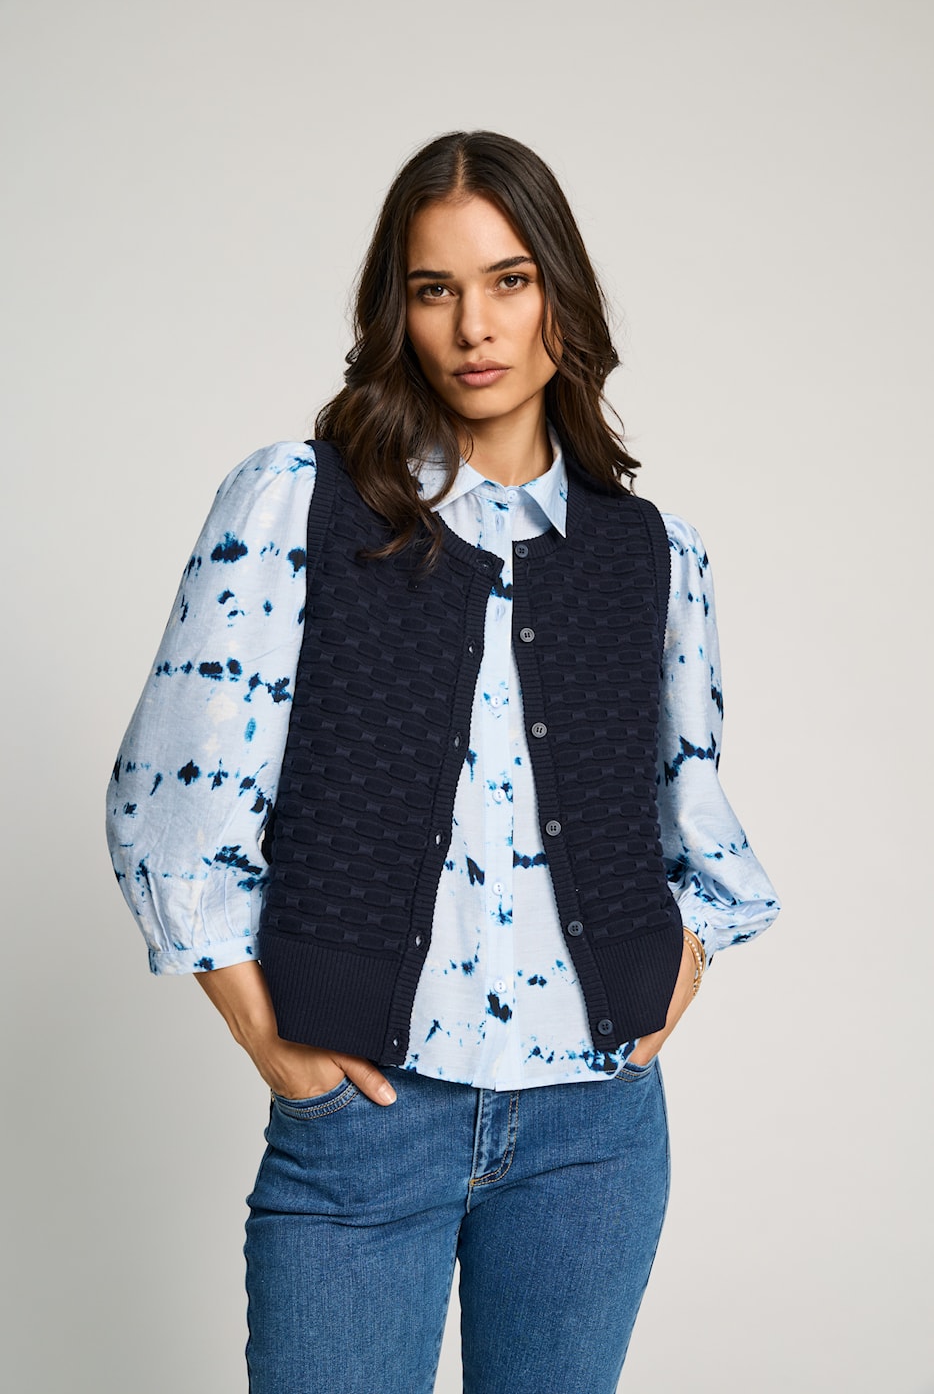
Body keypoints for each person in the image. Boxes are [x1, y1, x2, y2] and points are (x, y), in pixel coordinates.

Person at [106, 130, 780, 1394]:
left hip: (592, 1137)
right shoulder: (299, 503)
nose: (475, 326)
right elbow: (171, 805)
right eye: (435, 289)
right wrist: (274, 1047)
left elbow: (690, 815)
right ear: (397, 313)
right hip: (368, 1129)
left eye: (509, 280)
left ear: (560, 297)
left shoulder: (650, 553)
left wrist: (673, 970)